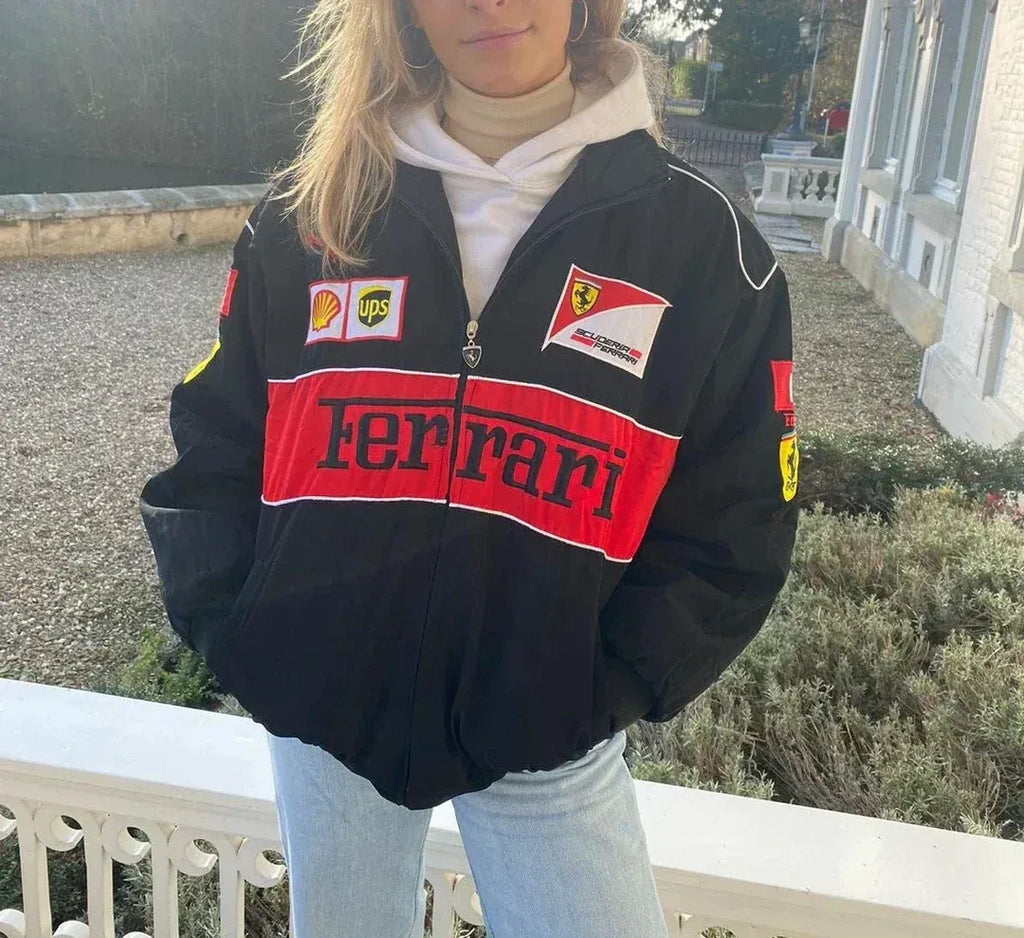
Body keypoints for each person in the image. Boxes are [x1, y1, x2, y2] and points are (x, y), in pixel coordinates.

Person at [139, 0, 800, 935]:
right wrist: (246, 633)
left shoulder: (707, 247)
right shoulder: (311, 214)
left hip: (548, 734)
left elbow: (739, 520)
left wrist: (597, 687)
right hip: (323, 711)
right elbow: (218, 436)